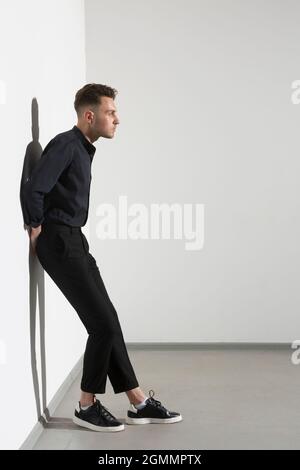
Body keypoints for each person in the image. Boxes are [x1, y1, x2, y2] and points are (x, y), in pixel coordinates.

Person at [20, 83, 182, 432]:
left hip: (75, 240)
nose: (117, 119)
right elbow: (35, 187)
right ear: (89, 115)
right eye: (111, 112)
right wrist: (35, 225)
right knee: (102, 324)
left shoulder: (81, 147)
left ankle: (138, 402)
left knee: (109, 319)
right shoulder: (66, 144)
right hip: (60, 242)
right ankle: (85, 404)